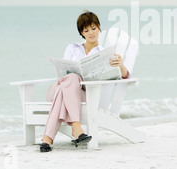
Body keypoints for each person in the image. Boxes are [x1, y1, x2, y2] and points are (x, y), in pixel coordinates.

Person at [40, 10, 130, 152]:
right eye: (86, 30)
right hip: (60, 88)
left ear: (99, 28)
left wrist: (121, 65)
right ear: (82, 33)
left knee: (67, 89)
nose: (91, 33)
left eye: (93, 28)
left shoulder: (104, 53)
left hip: (83, 95)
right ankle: (76, 126)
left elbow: (124, 76)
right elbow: (63, 72)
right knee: (71, 78)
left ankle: (47, 139)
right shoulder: (72, 48)